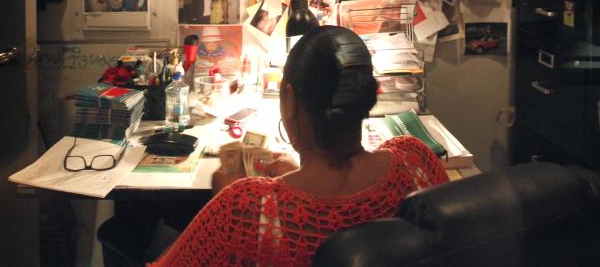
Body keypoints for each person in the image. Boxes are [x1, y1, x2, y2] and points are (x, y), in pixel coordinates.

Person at [146, 26, 448, 266]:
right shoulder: (415, 160)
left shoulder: (242, 205)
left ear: (289, 101)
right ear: (368, 95)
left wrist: (229, 200)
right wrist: (290, 176)